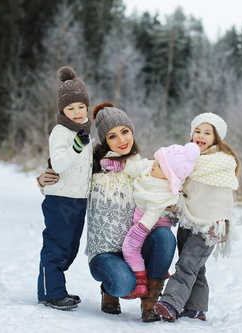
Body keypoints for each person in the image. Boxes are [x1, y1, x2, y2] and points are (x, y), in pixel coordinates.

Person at [86, 102, 177, 322]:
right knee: (123, 283)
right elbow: (65, 178)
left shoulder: (146, 169)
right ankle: (109, 291)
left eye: (125, 132)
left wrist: (173, 206)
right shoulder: (94, 168)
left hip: (135, 246)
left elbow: (174, 183)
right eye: (113, 136)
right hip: (105, 252)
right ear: (104, 140)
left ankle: (150, 303)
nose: (122, 140)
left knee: (165, 236)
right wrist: (46, 180)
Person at [154, 112, 240, 322]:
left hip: (210, 225)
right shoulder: (186, 159)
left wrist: (219, 223)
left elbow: (221, 199)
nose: (200, 135)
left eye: (207, 132)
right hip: (188, 220)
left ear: (216, 137)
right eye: (197, 131)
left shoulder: (222, 162)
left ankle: (170, 303)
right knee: (195, 267)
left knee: (186, 266)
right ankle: (196, 308)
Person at [36, 66, 93, 311]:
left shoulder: (85, 131)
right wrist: (76, 147)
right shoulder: (61, 132)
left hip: (78, 199)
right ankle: (50, 293)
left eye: (81, 107)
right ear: (63, 110)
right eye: (71, 109)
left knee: (70, 248)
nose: (77, 112)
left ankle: (58, 288)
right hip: (60, 199)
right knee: (57, 245)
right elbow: (58, 163)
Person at [121, 142, 200, 300]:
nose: (153, 165)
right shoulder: (151, 169)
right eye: (156, 160)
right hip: (143, 222)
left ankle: (140, 282)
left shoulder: (165, 192)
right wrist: (118, 165)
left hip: (149, 225)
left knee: (130, 248)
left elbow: (152, 213)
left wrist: (139, 232)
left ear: (168, 176)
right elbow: (135, 168)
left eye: (158, 166)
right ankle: (157, 269)